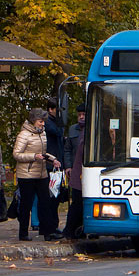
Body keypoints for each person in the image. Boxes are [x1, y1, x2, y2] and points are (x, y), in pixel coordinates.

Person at [13, 108, 61, 241]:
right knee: (26, 204)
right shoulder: (24, 135)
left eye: (43, 121)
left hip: (41, 173)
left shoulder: (42, 134)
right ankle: (23, 233)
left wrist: (53, 159)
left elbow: (43, 152)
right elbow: (17, 154)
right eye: (40, 121)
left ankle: (47, 232)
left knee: (45, 202)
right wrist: (34, 156)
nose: (43, 124)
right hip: (27, 175)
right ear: (33, 121)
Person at [40, 99, 66, 238]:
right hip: (51, 164)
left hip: (57, 163)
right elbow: (57, 132)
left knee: (55, 197)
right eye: (58, 110)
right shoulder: (49, 124)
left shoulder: (53, 123)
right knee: (51, 197)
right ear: (50, 110)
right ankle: (48, 228)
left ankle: (52, 226)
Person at [62, 104, 87, 239]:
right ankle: (71, 229)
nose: (81, 117)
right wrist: (68, 166)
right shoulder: (73, 130)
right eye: (79, 115)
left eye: (83, 114)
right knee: (76, 201)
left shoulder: (92, 129)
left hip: (87, 170)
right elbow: (67, 149)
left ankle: (82, 228)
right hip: (76, 171)